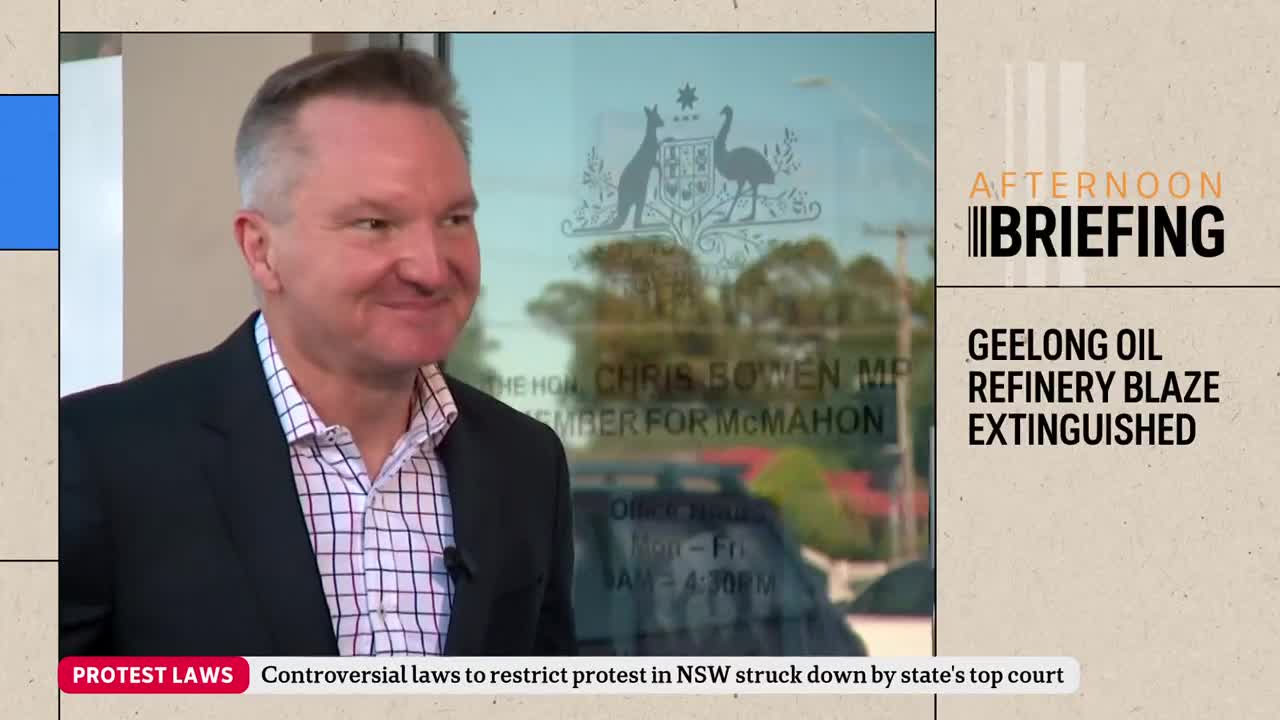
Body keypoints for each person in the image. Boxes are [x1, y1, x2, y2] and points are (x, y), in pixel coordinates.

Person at [59, 48, 577, 658]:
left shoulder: (526, 462)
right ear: (261, 250)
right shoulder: (97, 458)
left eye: (455, 219)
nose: (432, 267)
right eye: (374, 224)